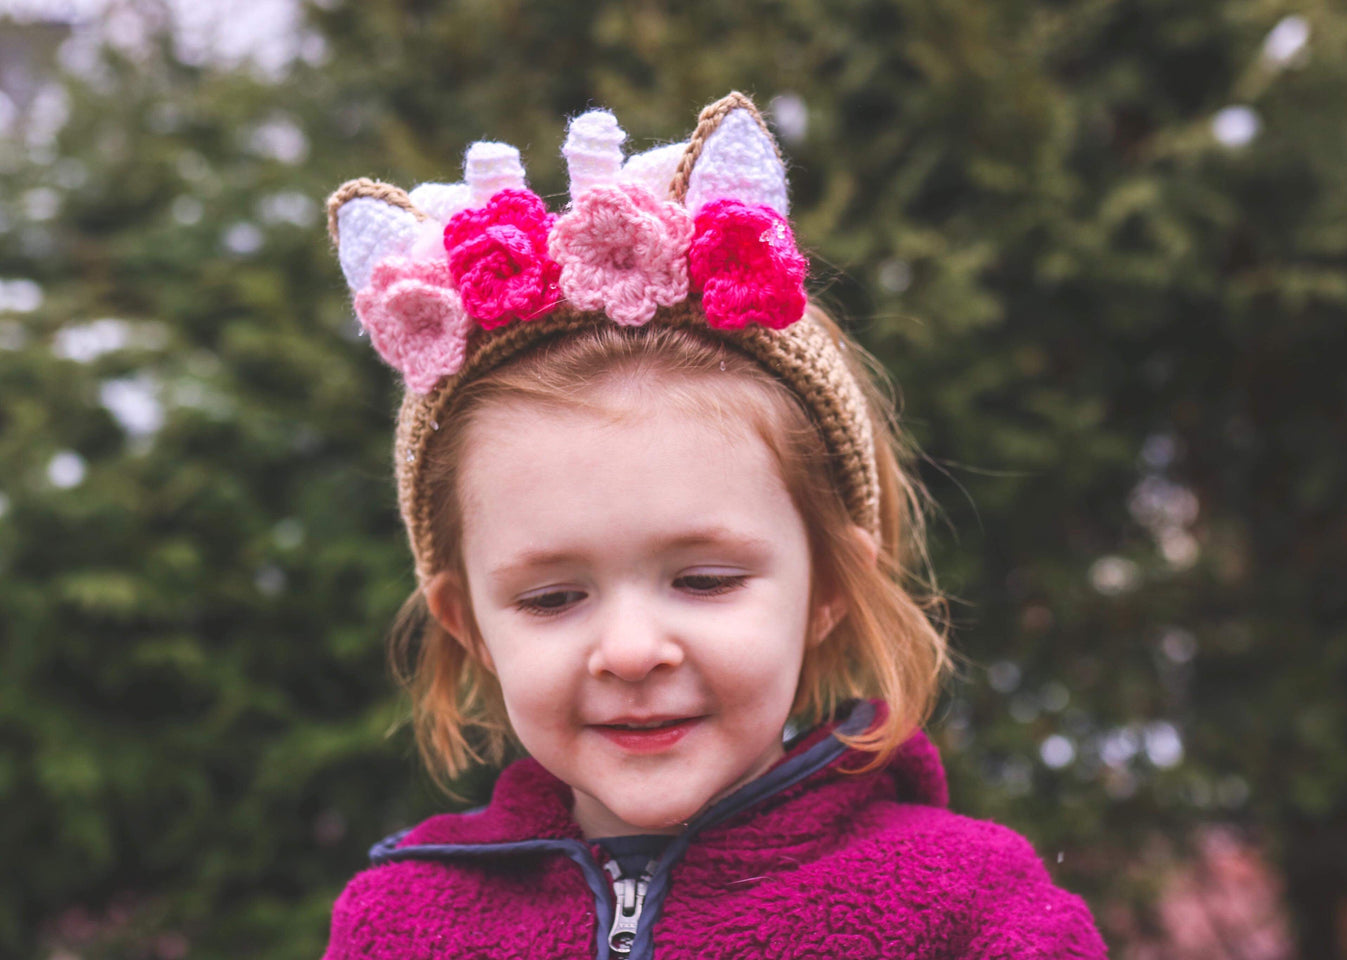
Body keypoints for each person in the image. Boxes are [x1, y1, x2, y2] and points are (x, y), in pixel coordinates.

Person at [321, 92, 1107, 960]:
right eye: (551, 597)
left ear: (830, 588)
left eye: (704, 580)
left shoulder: (970, 908)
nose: (630, 651)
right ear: (467, 623)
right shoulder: (402, 926)